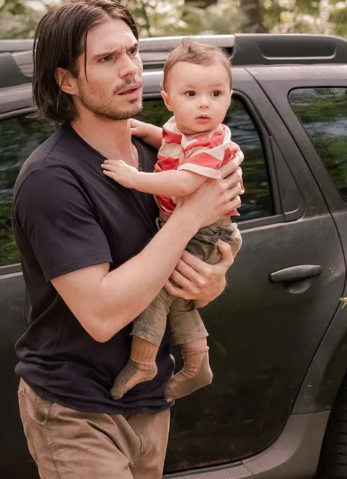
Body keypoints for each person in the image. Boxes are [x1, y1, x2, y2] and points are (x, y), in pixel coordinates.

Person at [11, 1, 244, 479]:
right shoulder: (54, 180)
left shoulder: (160, 158)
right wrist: (190, 216)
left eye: (134, 52)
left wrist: (210, 282)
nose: (131, 68)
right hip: (75, 408)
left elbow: (181, 266)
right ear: (67, 79)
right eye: (108, 58)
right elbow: (100, 313)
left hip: (149, 399)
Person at [101, 39, 243, 401]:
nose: (204, 103)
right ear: (169, 100)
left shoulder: (212, 144)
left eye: (216, 94)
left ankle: (143, 361)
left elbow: (183, 182)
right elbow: (167, 137)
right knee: (179, 298)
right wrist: (140, 129)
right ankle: (197, 365)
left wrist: (134, 178)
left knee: (156, 294)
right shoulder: (186, 131)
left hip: (209, 232)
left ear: (229, 97)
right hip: (192, 227)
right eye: (191, 93)